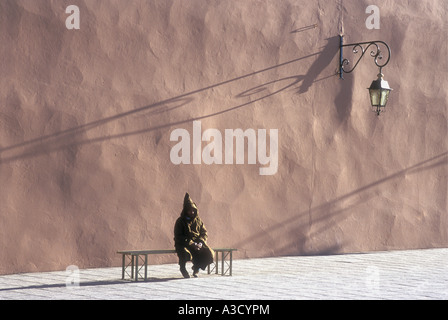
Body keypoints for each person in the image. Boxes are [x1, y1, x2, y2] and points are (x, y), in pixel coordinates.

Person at [174, 193, 214, 278]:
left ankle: (197, 268)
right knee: (185, 254)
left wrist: (200, 243)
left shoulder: (198, 221)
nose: (191, 212)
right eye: (189, 210)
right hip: (183, 244)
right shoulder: (180, 221)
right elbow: (178, 236)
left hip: (197, 243)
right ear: (185, 211)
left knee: (209, 253)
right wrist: (191, 243)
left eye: (193, 210)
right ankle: (183, 268)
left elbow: (204, 233)